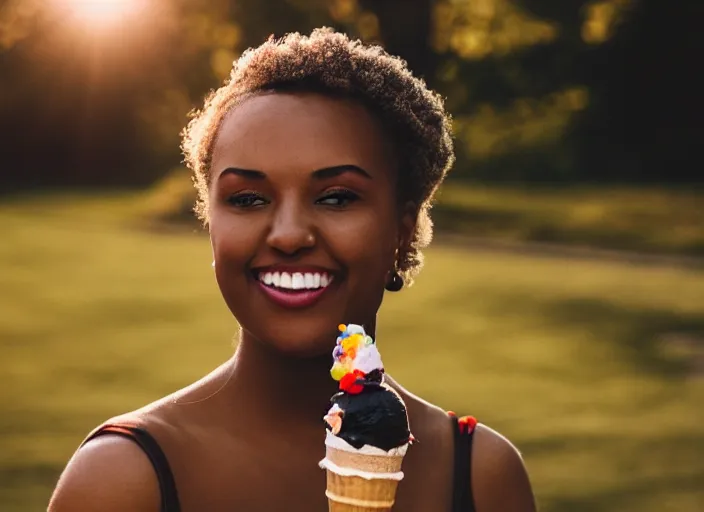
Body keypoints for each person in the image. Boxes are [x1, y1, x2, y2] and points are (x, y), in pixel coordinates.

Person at [49, 28, 536, 511]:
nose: (287, 235)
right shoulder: (120, 481)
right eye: (248, 199)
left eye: (337, 197)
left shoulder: (481, 476)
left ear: (401, 230)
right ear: (212, 225)